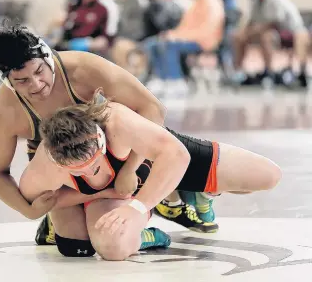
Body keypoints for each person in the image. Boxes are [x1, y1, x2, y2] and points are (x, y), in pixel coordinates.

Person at [0, 21, 218, 248]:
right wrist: (28, 209)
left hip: (112, 151)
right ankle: (70, 219)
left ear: (47, 57)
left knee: (223, 173)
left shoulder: (83, 69)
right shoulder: (4, 113)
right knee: (75, 246)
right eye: (22, 81)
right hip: (64, 167)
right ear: (7, 81)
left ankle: (167, 198)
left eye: (39, 72)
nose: (36, 85)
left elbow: (152, 108)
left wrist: (131, 168)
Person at [21, 90, 281, 260]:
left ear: (100, 140)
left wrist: (137, 204)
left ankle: (187, 191)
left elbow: (177, 155)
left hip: (155, 161)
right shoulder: (46, 166)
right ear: (59, 163)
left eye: (95, 165)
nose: (90, 171)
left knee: (267, 176)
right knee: (113, 248)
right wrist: (107, 192)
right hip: (112, 196)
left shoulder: (117, 121)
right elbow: (38, 202)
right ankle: (147, 234)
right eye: (80, 171)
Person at [232, 0, 310, 88]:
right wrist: (243, 31)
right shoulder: (255, 2)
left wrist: (255, 30)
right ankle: (238, 72)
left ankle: (269, 72)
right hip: (270, 31)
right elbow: (250, 21)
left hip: (289, 31)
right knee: (239, 37)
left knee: (266, 37)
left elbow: (274, 23)